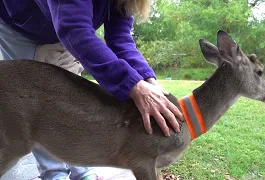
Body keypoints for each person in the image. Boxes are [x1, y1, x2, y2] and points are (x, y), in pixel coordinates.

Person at [0, 0, 184, 179]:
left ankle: (82, 173)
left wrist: (146, 79)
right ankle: (54, 175)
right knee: (36, 103)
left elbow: (120, 38)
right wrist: (132, 85)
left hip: (63, 25)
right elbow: (74, 30)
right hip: (22, 25)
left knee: (68, 100)